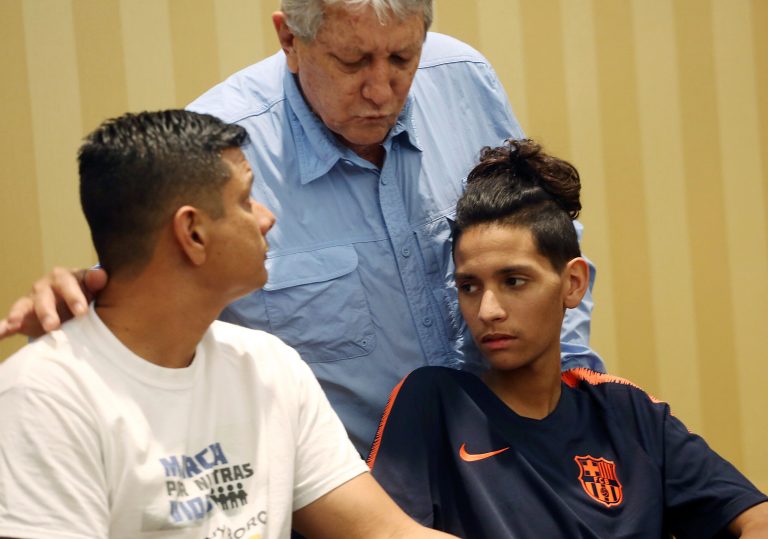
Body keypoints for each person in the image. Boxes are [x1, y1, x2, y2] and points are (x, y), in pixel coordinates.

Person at [0, 0, 604, 454]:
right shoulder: (217, 150)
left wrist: (571, 394)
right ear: (289, 36)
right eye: (351, 61)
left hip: (525, 460)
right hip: (339, 493)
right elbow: (150, 314)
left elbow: (544, 243)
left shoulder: (463, 77)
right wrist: (81, 312)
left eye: (402, 59)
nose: (381, 89)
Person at [0, 110, 458, 539]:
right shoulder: (44, 397)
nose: (266, 218)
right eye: (245, 200)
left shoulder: (267, 365)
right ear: (192, 233)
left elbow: (386, 532)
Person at [367, 139, 768, 538]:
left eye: (514, 281)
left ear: (573, 283)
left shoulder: (625, 412)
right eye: (470, 286)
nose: (488, 309)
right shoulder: (435, 404)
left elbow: (756, 518)